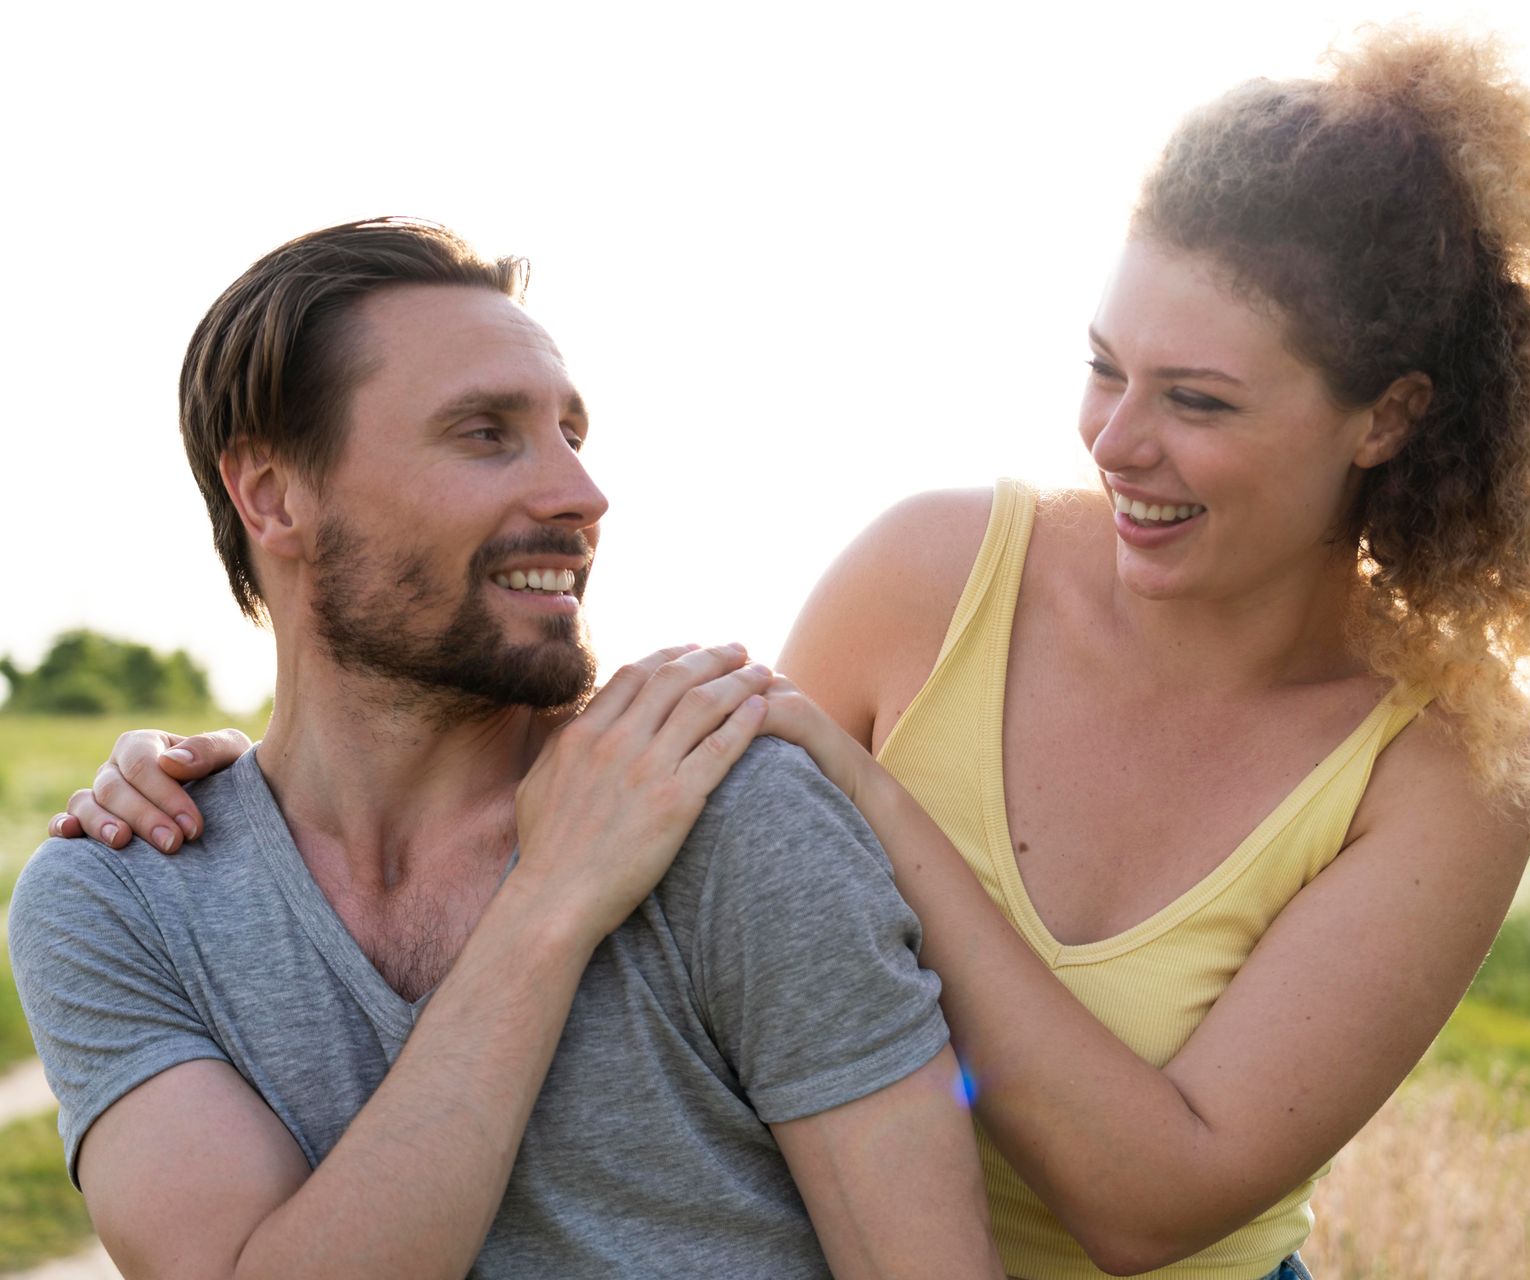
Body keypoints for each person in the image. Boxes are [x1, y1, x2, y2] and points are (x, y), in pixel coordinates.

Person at [53, 27, 1530, 1280]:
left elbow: (1154, 1203)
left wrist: (863, 804)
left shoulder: (1444, 762)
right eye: (1101, 368)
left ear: (1388, 418)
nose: (1116, 440)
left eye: (1199, 401)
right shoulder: (931, 572)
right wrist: (205, 786)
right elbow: (666, 830)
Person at [8, 219, 1003, 1280]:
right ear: (273, 495)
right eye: (486, 432)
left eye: (572, 431)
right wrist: (550, 903)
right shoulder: (121, 897)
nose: (581, 492)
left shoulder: (735, 815)